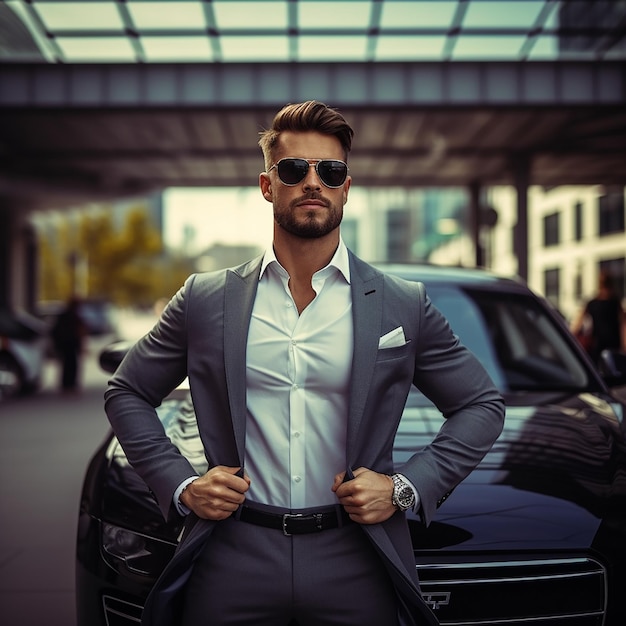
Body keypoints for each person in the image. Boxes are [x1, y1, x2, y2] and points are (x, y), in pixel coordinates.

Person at [105, 100, 505, 626]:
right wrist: (181, 484)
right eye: (295, 170)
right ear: (268, 185)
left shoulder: (400, 302)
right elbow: (126, 391)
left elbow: (481, 403)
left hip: (356, 555)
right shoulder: (205, 299)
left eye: (330, 171)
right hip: (232, 554)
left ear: (346, 186)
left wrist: (406, 487)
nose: (312, 182)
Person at [571, 271, 626, 364]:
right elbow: (623, 325)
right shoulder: (615, 302)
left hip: (597, 343)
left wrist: (569, 338)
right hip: (612, 343)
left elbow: (577, 324)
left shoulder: (593, 303)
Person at [51, 296, 85, 391]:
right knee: (69, 365)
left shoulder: (70, 315)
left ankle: (69, 384)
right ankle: (68, 385)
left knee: (69, 365)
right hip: (68, 344)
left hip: (68, 345)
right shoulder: (69, 316)